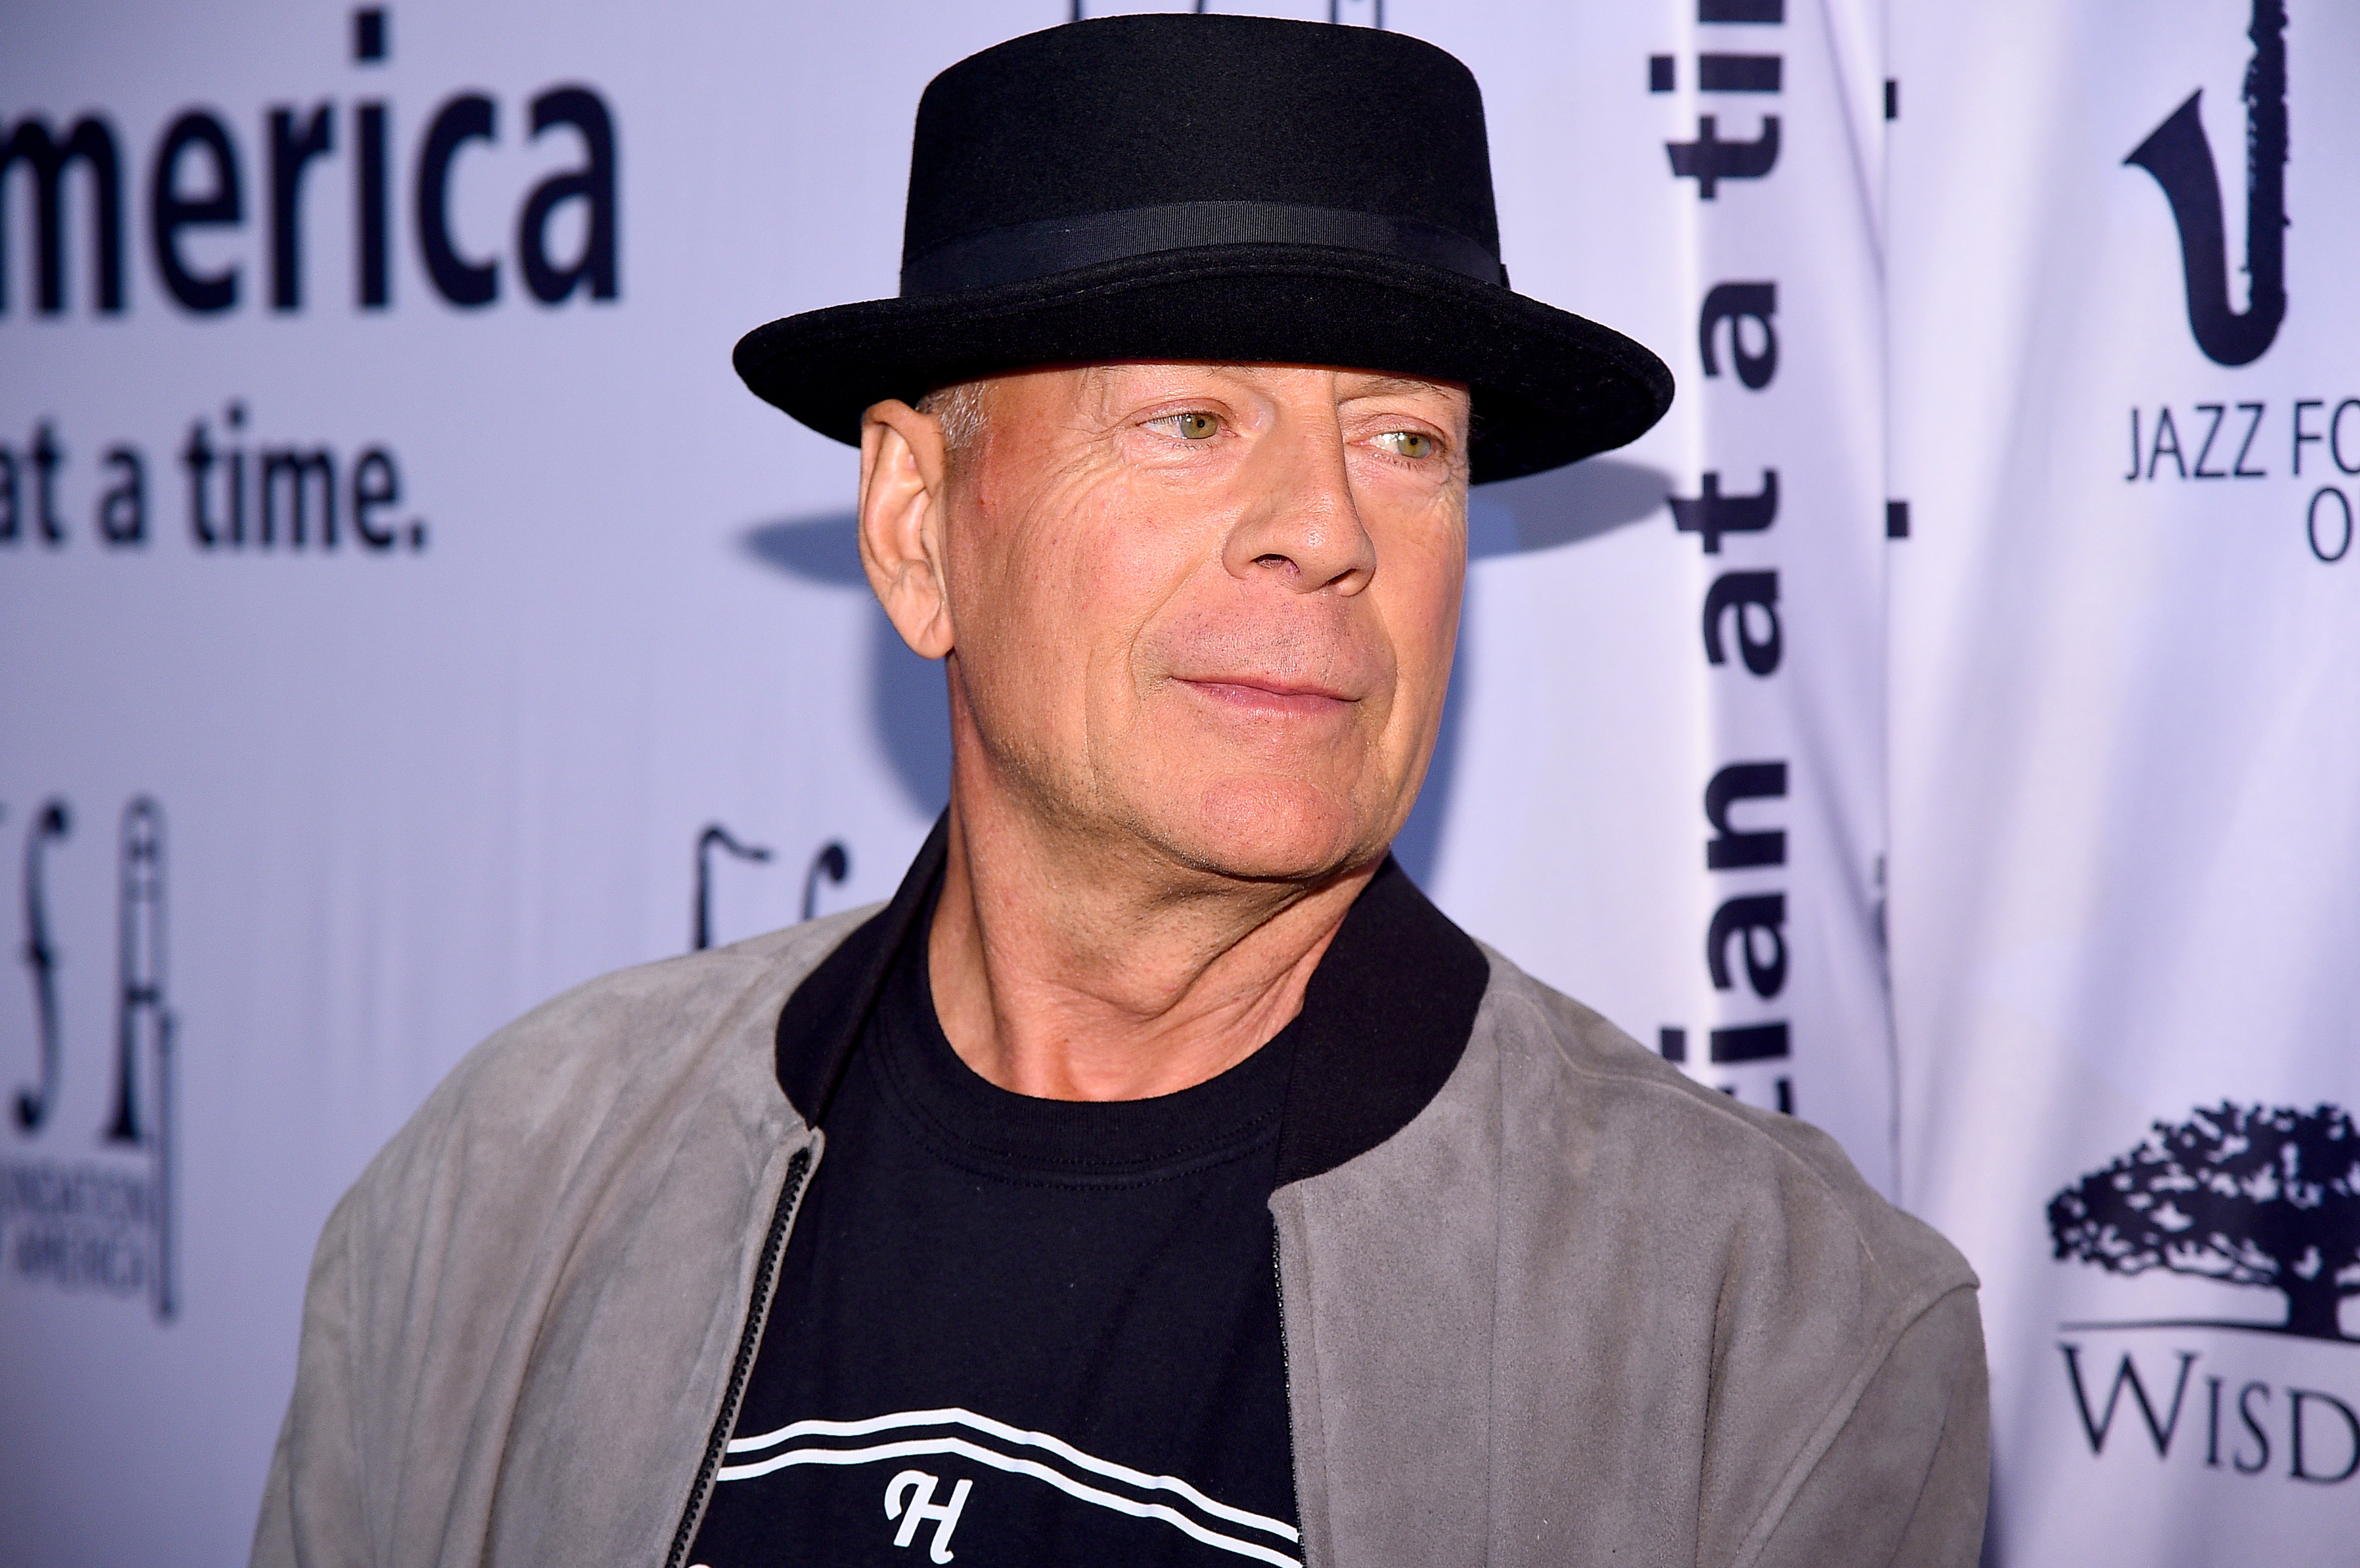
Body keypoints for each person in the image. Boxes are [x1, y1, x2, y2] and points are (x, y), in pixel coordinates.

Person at [253, 15, 1986, 1568]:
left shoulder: (1771, 1335)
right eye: (1189, 421)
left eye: (1406, 442)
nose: (1326, 528)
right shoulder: (502, 1190)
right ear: (919, 527)